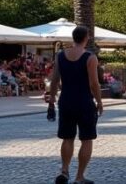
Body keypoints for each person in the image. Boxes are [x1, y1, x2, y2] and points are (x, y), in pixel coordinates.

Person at [45, 25, 103, 184]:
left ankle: (64, 170)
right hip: (84, 101)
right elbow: (94, 84)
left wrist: (51, 101)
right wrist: (99, 102)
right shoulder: (90, 58)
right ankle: (79, 176)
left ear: (73, 38)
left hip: (66, 101)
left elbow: (55, 80)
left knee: (67, 138)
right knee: (86, 139)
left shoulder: (60, 56)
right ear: (87, 38)